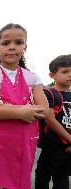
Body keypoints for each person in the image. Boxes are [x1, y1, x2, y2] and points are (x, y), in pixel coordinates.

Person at [0, 24, 48, 189]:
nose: (12, 47)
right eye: (6, 43)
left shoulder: (33, 78)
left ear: (25, 47)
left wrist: (2, 109)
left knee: (18, 182)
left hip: (23, 141)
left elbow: (43, 108)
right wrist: (21, 112)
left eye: (18, 42)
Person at [35, 54, 71, 189]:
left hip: (67, 148)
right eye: (65, 71)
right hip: (52, 145)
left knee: (62, 179)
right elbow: (49, 119)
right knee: (42, 177)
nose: (70, 75)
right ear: (52, 75)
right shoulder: (49, 93)